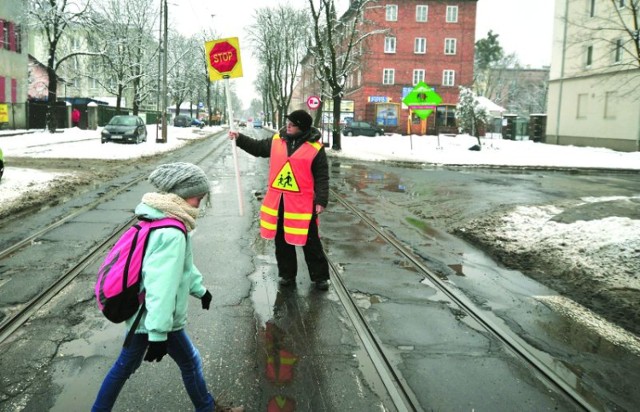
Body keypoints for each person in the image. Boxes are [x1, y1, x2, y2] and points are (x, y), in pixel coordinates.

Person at [92, 162, 243, 412]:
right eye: (198, 197)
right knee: (188, 362)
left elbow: (183, 267)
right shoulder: (172, 232)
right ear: (183, 195)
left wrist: (200, 289)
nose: (199, 203)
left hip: (145, 315)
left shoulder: (158, 218)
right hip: (154, 318)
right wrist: (159, 334)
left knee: (127, 365)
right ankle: (207, 409)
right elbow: (161, 285)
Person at [228, 110, 330, 291]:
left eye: (292, 124)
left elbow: (322, 176)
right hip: (279, 202)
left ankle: (320, 277)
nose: (287, 126)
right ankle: (287, 275)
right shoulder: (277, 140)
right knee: (282, 242)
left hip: (302, 205)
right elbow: (257, 148)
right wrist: (239, 138)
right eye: (288, 123)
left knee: (311, 242)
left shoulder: (315, 148)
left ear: (302, 128)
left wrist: (321, 200)